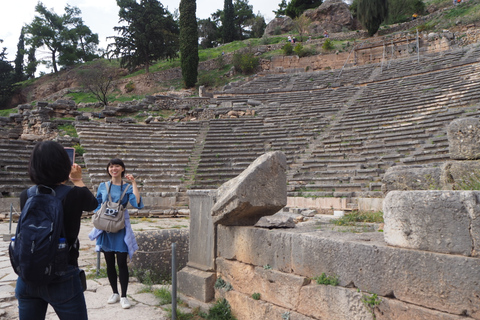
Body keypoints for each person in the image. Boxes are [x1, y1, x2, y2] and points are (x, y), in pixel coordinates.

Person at [15, 141, 98, 320]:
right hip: (63, 275)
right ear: (63, 165)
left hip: (28, 274)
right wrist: (76, 179)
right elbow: (93, 204)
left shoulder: (26, 195)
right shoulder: (74, 194)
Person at [89, 158, 143, 309]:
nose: (114, 168)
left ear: (122, 169)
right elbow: (96, 203)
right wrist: (101, 214)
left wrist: (134, 184)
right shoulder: (103, 186)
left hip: (120, 228)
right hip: (106, 229)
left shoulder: (126, 187)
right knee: (109, 263)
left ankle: (124, 296)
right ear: (108, 170)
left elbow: (137, 203)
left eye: (117, 166)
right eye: (111, 166)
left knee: (121, 263)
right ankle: (114, 292)